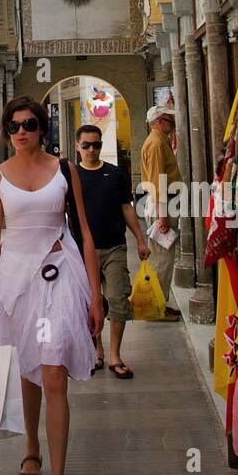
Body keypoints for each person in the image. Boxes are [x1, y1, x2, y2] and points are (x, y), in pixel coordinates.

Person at [0, 97, 104, 475]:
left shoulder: (64, 170)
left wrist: (96, 295)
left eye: (28, 124)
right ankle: (32, 447)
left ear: (42, 128)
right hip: (16, 282)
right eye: (13, 126)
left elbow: (84, 232)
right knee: (29, 370)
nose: (21, 132)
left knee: (53, 373)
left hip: (59, 274)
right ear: (6, 131)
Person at [74, 124, 150, 378]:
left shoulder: (115, 174)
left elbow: (126, 208)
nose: (91, 150)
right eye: (86, 145)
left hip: (114, 246)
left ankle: (115, 355)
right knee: (89, 303)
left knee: (118, 299)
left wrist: (140, 240)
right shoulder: (71, 176)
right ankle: (96, 350)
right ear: (77, 146)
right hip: (82, 251)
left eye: (96, 145)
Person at [139, 105, 182, 320]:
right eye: (168, 119)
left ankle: (159, 304)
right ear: (159, 121)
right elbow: (158, 182)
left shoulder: (158, 141)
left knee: (162, 258)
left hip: (163, 204)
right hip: (162, 206)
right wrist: (163, 216)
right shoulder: (156, 143)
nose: (171, 123)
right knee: (161, 260)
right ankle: (156, 309)